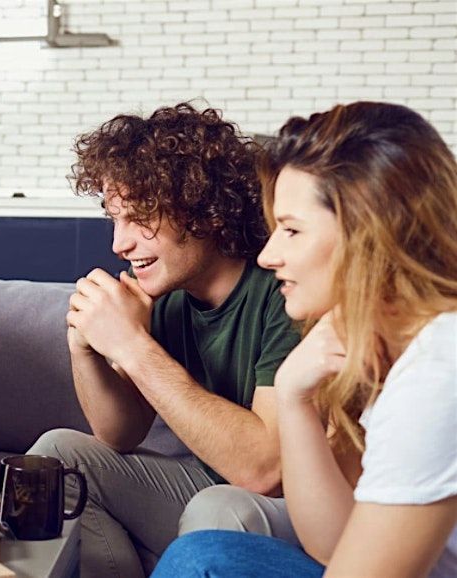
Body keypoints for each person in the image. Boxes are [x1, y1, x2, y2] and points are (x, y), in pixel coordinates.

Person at [154, 102, 457, 577]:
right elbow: (333, 543)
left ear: (371, 236)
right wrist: (293, 393)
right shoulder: (387, 353)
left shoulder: (438, 371)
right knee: (205, 555)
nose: (268, 255)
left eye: (292, 230)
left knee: (199, 562)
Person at [26, 103, 302, 577]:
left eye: (138, 219)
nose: (119, 243)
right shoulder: (171, 297)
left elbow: (265, 471)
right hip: (208, 486)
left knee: (217, 509)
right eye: (114, 219)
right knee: (58, 455)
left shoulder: (283, 290)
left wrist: (134, 346)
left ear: (204, 210)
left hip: (294, 508)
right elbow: (120, 433)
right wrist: (86, 345)